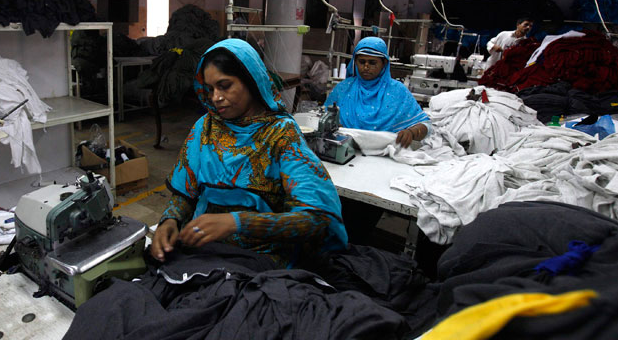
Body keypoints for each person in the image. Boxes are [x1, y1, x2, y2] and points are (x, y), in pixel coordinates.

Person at [150, 39, 348, 268]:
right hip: (204, 253)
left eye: (225, 86)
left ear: (251, 81)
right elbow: (185, 193)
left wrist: (237, 222)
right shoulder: (205, 128)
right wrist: (170, 220)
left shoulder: (281, 135)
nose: (215, 97)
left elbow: (315, 219)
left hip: (260, 261)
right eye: (210, 89)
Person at [325, 36, 431, 148]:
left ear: (384, 63)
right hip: (346, 151)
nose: (366, 67)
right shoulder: (344, 88)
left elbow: (426, 125)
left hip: (385, 156)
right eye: (362, 62)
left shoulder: (398, 91)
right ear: (355, 62)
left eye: (372, 63)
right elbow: (325, 118)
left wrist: (412, 132)